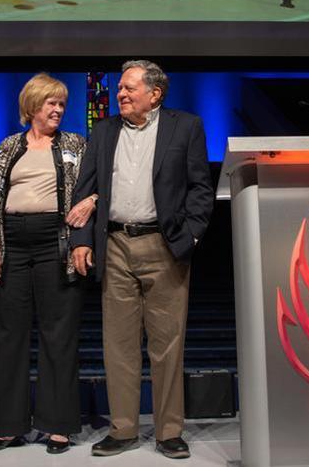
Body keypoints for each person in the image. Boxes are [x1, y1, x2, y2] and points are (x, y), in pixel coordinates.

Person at [68, 60, 214, 460]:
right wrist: (82, 240)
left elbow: (201, 187)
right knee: (119, 344)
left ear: (155, 93)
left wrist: (191, 235)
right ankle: (123, 429)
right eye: (120, 89)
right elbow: (85, 190)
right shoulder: (104, 131)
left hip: (164, 246)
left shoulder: (186, 126)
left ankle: (169, 432)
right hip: (115, 245)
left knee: (167, 344)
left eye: (130, 88)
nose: (121, 94)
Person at [0, 73, 88, 455]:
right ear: (32, 108)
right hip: (12, 244)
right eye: (50, 104)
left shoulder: (75, 144)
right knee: (8, 334)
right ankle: (7, 426)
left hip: (55, 242)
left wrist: (84, 222)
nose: (58, 110)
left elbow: (93, 188)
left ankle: (58, 426)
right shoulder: (9, 145)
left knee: (59, 334)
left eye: (61, 104)